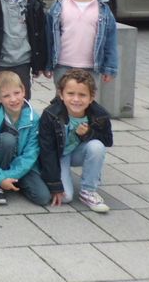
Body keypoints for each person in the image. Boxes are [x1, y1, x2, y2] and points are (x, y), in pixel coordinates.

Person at [0, 71, 51, 206]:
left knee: (43, 197)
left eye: (16, 93)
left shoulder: (34, 118)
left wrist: (9, 175)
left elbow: (31, 154)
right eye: (6, 96)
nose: (13, 99)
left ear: (23, 91)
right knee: (7, 140)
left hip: (21, 165)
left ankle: (12, 181)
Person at [38, 69, 112, 213]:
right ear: (61, 94)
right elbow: (47, 151)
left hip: (78, 152)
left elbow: (108, 141)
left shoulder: (100, 114)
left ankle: (88, 191)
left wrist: (88, 133)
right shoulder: (50, 114)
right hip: (59, 156)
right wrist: (55, 184)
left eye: (82, 95)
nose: (76, 99)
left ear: (91, 97)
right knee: (66, 197)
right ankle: (53, 176)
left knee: (97, 146)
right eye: (70, 94)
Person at [46, 0, 118, 89]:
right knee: (63, 99)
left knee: (87, 99)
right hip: (62, 65)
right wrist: (47, 64)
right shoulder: (59, 5)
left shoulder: (103, 9)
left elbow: (110, 39)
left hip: (91, 66)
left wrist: (110, 67)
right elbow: (49, 37)